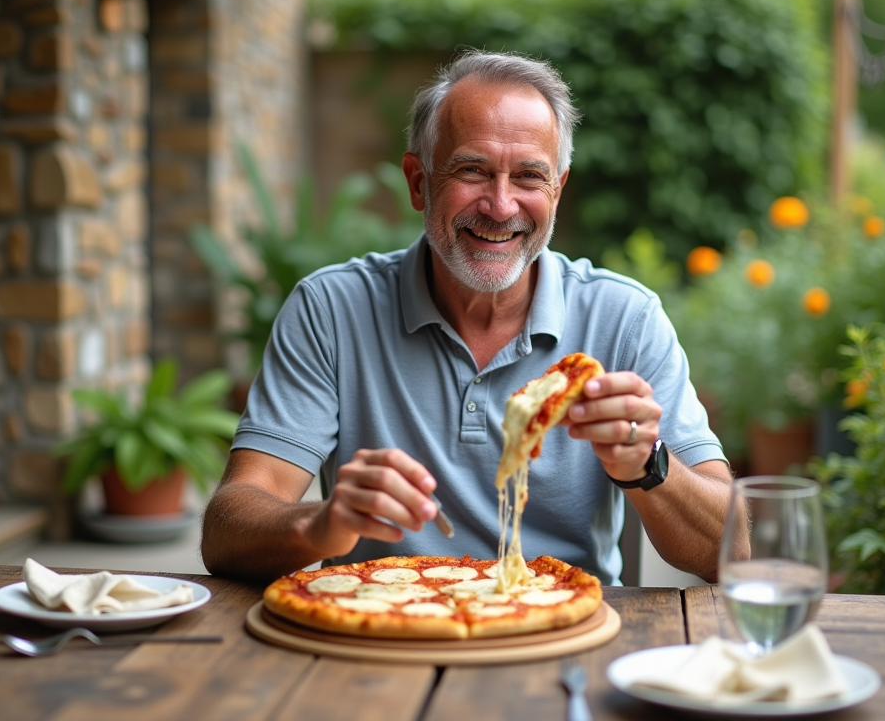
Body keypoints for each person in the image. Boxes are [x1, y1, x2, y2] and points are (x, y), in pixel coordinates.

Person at [201, 50, 737, 585]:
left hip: (562, 638)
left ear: (558, 189)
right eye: (473, 171)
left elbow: (728, 552)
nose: (501, 206)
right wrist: (319, 524)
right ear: (418, 181)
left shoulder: (625, 319)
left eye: (529, 176)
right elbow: (227, 533)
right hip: (377, 631)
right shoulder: (331, 310)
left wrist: (650, 465)